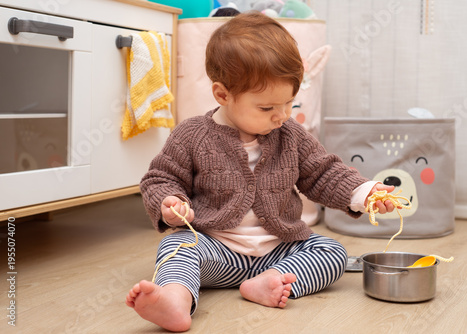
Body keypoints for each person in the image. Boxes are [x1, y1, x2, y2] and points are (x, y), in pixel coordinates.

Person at [125, 12, 397, 332]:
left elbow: (323, 173)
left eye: (288, 104)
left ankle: (267, 283)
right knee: (175, 248)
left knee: (332, 252)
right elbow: (161, 178)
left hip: (280, 249)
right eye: (267, 108)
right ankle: (175, 299)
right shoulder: (192, 135)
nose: (281, 116)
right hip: (217, 250)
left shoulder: (290, 135)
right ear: (223, 95)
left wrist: (364, 192)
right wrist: (168, 202)